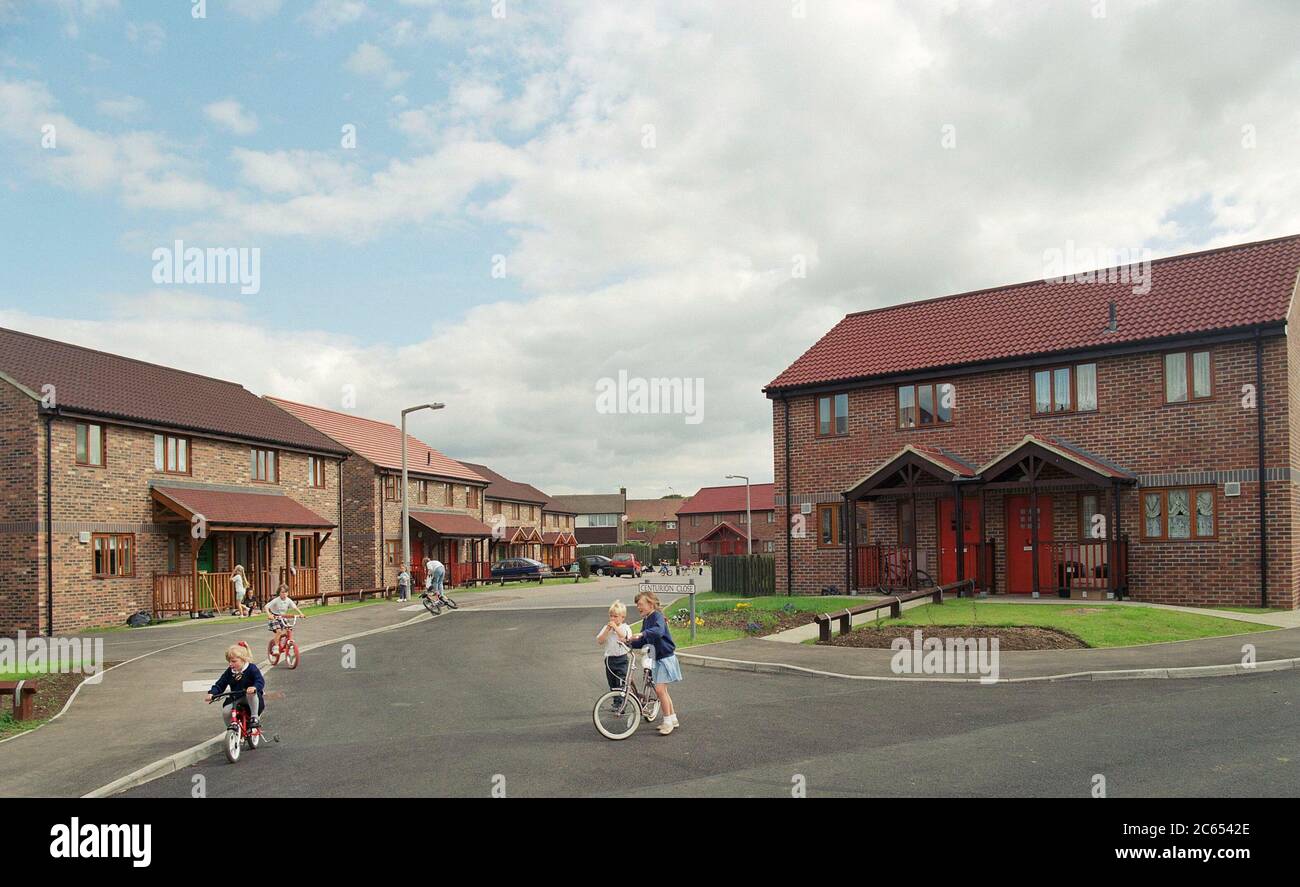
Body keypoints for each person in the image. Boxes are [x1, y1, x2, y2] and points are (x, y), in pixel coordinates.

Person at [627, 590, 682, 735]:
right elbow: (644, 640)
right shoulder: (646, 619)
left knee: (659, 690)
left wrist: (643, 633)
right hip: (656, 658)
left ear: (650, 604)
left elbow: (658, 631)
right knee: (663, 691)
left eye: (640, 604)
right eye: (637, 605)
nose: (638, 607)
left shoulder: (657, 616)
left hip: (665, 658)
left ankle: (668, 722)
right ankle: (673, 718)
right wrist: (629, 643)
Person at [205, 642, 265, 730]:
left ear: (243, 660)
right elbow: (220, 684)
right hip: (236, 697)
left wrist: (254, 687)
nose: (230, 664)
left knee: (250, 694)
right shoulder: (230, 672)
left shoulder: (251, 668)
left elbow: (260, 681)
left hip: (251, 698)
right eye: (229, 661)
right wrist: (212, 693)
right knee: (226, 712)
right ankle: (233, 731)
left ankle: (254, 717)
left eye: (234, 661)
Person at [596, 600, 632, 693]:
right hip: (610, 659)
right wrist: (607, 630)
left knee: (620, 682)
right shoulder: (606, 628)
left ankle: (621, 702)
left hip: (622, 659)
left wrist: (616, 628)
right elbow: (600, 641)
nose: (612, 619)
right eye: (611, 616)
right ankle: (616, 701)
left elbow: (624, 637)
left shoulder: (625, 627)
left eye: (615, 616)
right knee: (612, 683)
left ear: (622, 618)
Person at [266, 584, 306, 650]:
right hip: (274, 617)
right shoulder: (276, 600)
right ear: (279, 593)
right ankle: (276, 647)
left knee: (289, 628)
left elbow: (295, 607)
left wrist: (301, 614)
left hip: (282, 617)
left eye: (286, 592)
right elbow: (266, 607)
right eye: (282, 592)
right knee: (278, 631)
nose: (284, 594)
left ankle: (286, 641)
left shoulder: (288, 600)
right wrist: (269, 615)